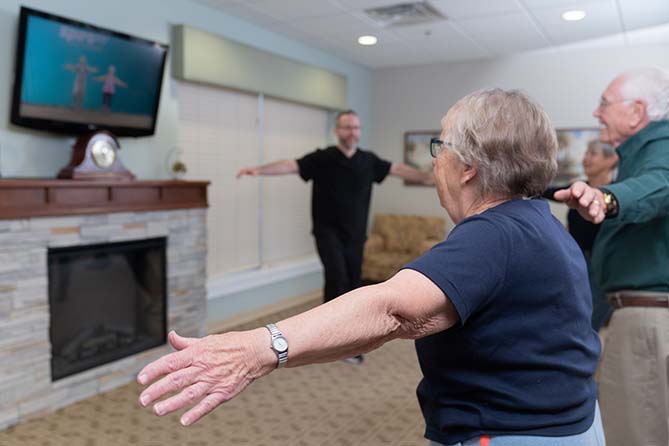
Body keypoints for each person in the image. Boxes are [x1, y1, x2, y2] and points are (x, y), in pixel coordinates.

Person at [138, 89, 604, 446]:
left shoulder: (494, 234)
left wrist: (257, 348)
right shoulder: (536, 222)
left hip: (518, 432)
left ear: (467, 167)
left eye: (439, 146)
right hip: (563, 423)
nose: (435, 160)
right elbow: (404, 320)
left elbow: (394, 310)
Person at [237, 110, 433, 364]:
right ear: (337, 131)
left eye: (356, 127)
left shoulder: (368, 161)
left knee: (353, 283)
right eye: (347, 127)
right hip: (327, 232)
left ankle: (350, 340)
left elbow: (399, 169)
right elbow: (290, 165)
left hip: (356, 235)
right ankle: (330, 339)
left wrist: (429, 176)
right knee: (336, 279)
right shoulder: (323, 158)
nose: (352, 132)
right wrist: (258, 170)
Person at [554, 67, 669, 446]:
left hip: (650, 322)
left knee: (633, 433)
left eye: (604, 103)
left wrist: (606, 198)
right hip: (639, 316)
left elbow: (659, 184)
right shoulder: (637, 153)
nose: (596, 112)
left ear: (637, 112)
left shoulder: (662, 145)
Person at [544, 139, 618, 330]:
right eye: (586, 153)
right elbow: (549, 193)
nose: (586, 158)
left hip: (603, 265)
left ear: (611, 160)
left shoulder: (615, 196)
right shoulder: (576, 189)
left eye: (593, 154)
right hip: (576, 261)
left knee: (592, 318)